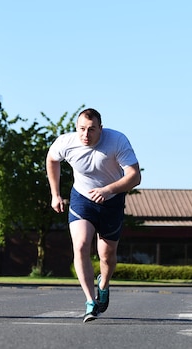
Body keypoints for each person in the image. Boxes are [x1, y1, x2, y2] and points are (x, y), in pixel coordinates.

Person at [46, 108, 141, 322]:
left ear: (101, 128)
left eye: (91, 130)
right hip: (82, 198)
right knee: (80, 245)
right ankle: (90, 301)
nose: (85, 135)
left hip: (112, 200)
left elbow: (135, 176)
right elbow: (52, 160)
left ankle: (104, 285)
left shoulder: (116, 140)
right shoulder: (66, 143)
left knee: (106, 256)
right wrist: (55, 194)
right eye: (81, 129)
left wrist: (108, 190)